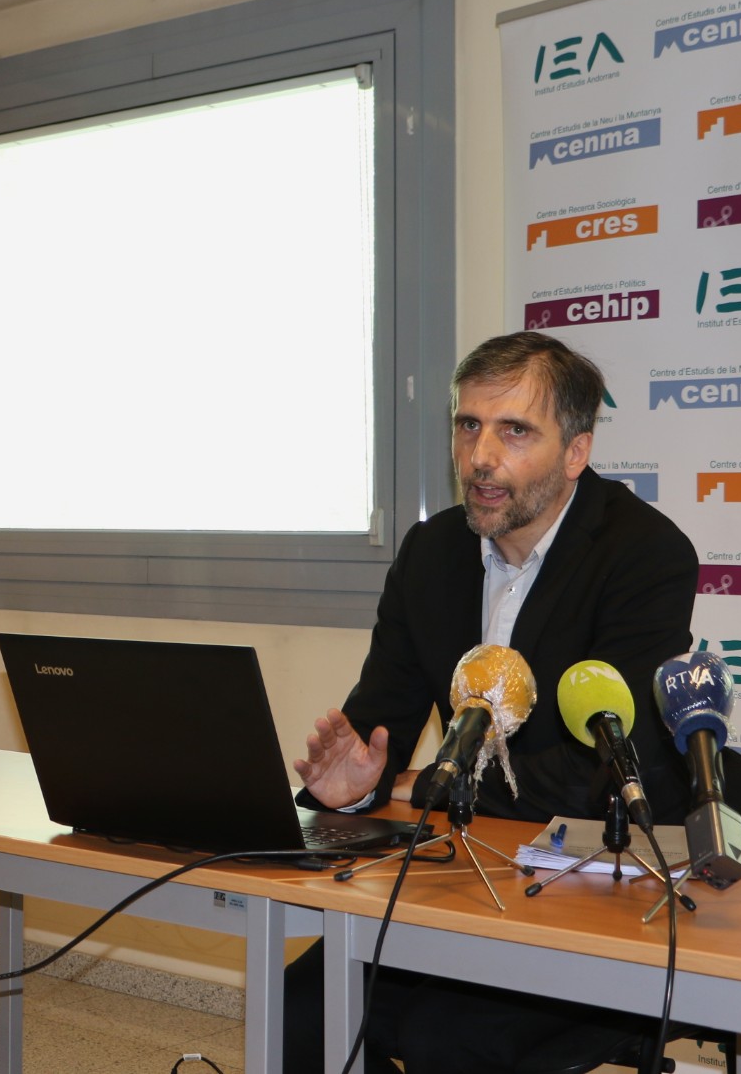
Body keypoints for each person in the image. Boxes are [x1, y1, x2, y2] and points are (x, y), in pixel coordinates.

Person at [286, 330, 699, 1072]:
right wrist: (356, 784)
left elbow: (603, 768)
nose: (480, 456)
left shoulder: (644, 554)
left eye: (514, 431)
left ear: (575, 451)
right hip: (465, 873)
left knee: (446, 1042)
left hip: (594, 885)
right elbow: (379, 724)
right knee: (299, 1011)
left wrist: (425, 784)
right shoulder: (431, 553)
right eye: (468, 425)